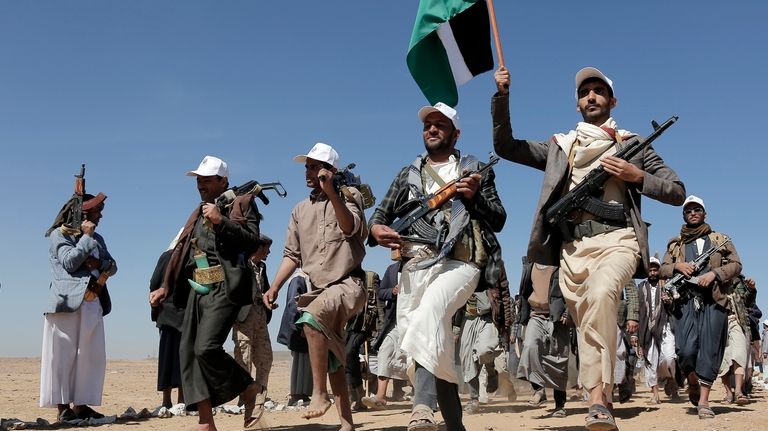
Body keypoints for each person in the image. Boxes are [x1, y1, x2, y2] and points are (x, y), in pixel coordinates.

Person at [492, 66, 685, 430]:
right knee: (588, 325)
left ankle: (596, 399)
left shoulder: (632, 143)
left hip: (619, 240)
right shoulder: (561, 147)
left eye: (599, 91)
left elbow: (676, 190)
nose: (591, 96)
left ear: (612, 100)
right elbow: (505, 147)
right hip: (573, 249)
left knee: (601, 295)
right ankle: (604, 399)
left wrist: (635, 176)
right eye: (585, 92)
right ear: (578, 103)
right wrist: (502, 96)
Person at [369, 102, 506, 431]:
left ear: (456, 134)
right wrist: (376, 229)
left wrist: (475, 197)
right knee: (431, 342)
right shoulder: (408, 174)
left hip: (460, 263)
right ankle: (455, 425)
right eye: (427, 125)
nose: (431, 129)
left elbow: (498, 218)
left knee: (430, 313)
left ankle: (421, 407)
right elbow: (379, 216)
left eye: (440, 125)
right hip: (414, 267)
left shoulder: (475, 170)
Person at [149, 155, 262, 431]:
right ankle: (205, 421)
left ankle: (249, 388)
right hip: (197, 290)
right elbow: (181, 250)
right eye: (198, 180)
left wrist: (221, 221)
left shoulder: (242, 203)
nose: (201, 184)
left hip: (225, 287)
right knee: (188, 352)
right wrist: (165, 285)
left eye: (207, 179)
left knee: (206, 347)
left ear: (223, 180)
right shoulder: (197, 213)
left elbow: (253, 242)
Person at [262, 143, 367, 431]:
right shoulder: (300, 210)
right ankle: (347, 423)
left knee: (310, 320)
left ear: (330, 170)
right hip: (317, 289)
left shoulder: (350, 196)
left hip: (348, 284)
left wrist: (332, 192)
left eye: (314, 166)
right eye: (307, 166)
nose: (308, 172)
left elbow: (350, 227)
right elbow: (291, 256)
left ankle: (318, 394)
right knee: (332, 354)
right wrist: (273, 288)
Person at [660, 195, 742, 419]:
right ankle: (692, 381)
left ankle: (704, 401)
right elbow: (663, 269)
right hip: (686, 301)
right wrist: (678, 266)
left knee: (710, 350)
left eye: (697, 210)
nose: (693, 213)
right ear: (684, 215)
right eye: (688, 211)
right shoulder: (676, 244)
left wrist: (714, 274)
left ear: (705, 214)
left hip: (714, 301)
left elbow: (736, 264)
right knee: (685, 351)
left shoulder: (719, 239)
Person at [41, 191, 116, 422]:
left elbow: (112, 266)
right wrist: (85, 238)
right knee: (61, 357)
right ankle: (63, 408)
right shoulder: (58, 235)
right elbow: (70, 263)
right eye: (97, 211)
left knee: (89, 356)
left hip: (93, 301)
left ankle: (82, 406)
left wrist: (98, 262)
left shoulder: (99, 239)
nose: (101, 215)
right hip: (65, 304)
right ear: (82, 213)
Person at [516, 263, 570, 417]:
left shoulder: (561, 263)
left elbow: (574, 288)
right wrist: (522, 314)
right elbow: (524, 291)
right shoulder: (529, 265)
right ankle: (539, 390)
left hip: (558, 318)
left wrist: (568, 311)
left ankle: (560, 405)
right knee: (530, 347)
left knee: (559, 359)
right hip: (536, 316)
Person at [232, 234, 273, 426]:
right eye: (266, 248)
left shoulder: (262, 268)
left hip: (260, 320)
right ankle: (248, 407)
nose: (269, 252)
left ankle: (258, 405)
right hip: (244, 321)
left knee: (265, 360)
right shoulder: (241, 265)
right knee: (244, 362)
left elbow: (267, 289)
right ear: (258, 248)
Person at [362, 263, 409, 410]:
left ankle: (427, 396)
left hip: (417, 320)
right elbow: (381, 292)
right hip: (395, 321)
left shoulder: (424, 266)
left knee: (417, 358)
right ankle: (380, 397)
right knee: (385, 352)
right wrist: (392, 291)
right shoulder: (392, 269)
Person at [149, 242, 185, 409]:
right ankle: (175, 401)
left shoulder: (168, 256)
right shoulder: (169, 256)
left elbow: (153, 283)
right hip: (174, 314)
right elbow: (155, 283)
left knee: (171, 358)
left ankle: (171, 401)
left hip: (174, 314)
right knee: (178, 357)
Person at [637, 256, 678, 404]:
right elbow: (637, 310)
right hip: (646, 329)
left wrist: (669, 301)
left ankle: (671, 379)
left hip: (665, 326)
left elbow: (676, 305)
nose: (653, 273)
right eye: (650, 270)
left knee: (669, 357)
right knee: (650, 361)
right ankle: (655, 395)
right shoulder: (640, 287)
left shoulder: (667, 285)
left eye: (655, 270)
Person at [275, 270, 313, 406]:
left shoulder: (306, 278)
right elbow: (294, 305)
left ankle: (303, 394)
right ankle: (297, 394)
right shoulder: (299, 279)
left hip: (304, 326)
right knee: (300, 360)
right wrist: (300, 326)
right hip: (299, 327)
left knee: (306, 360)